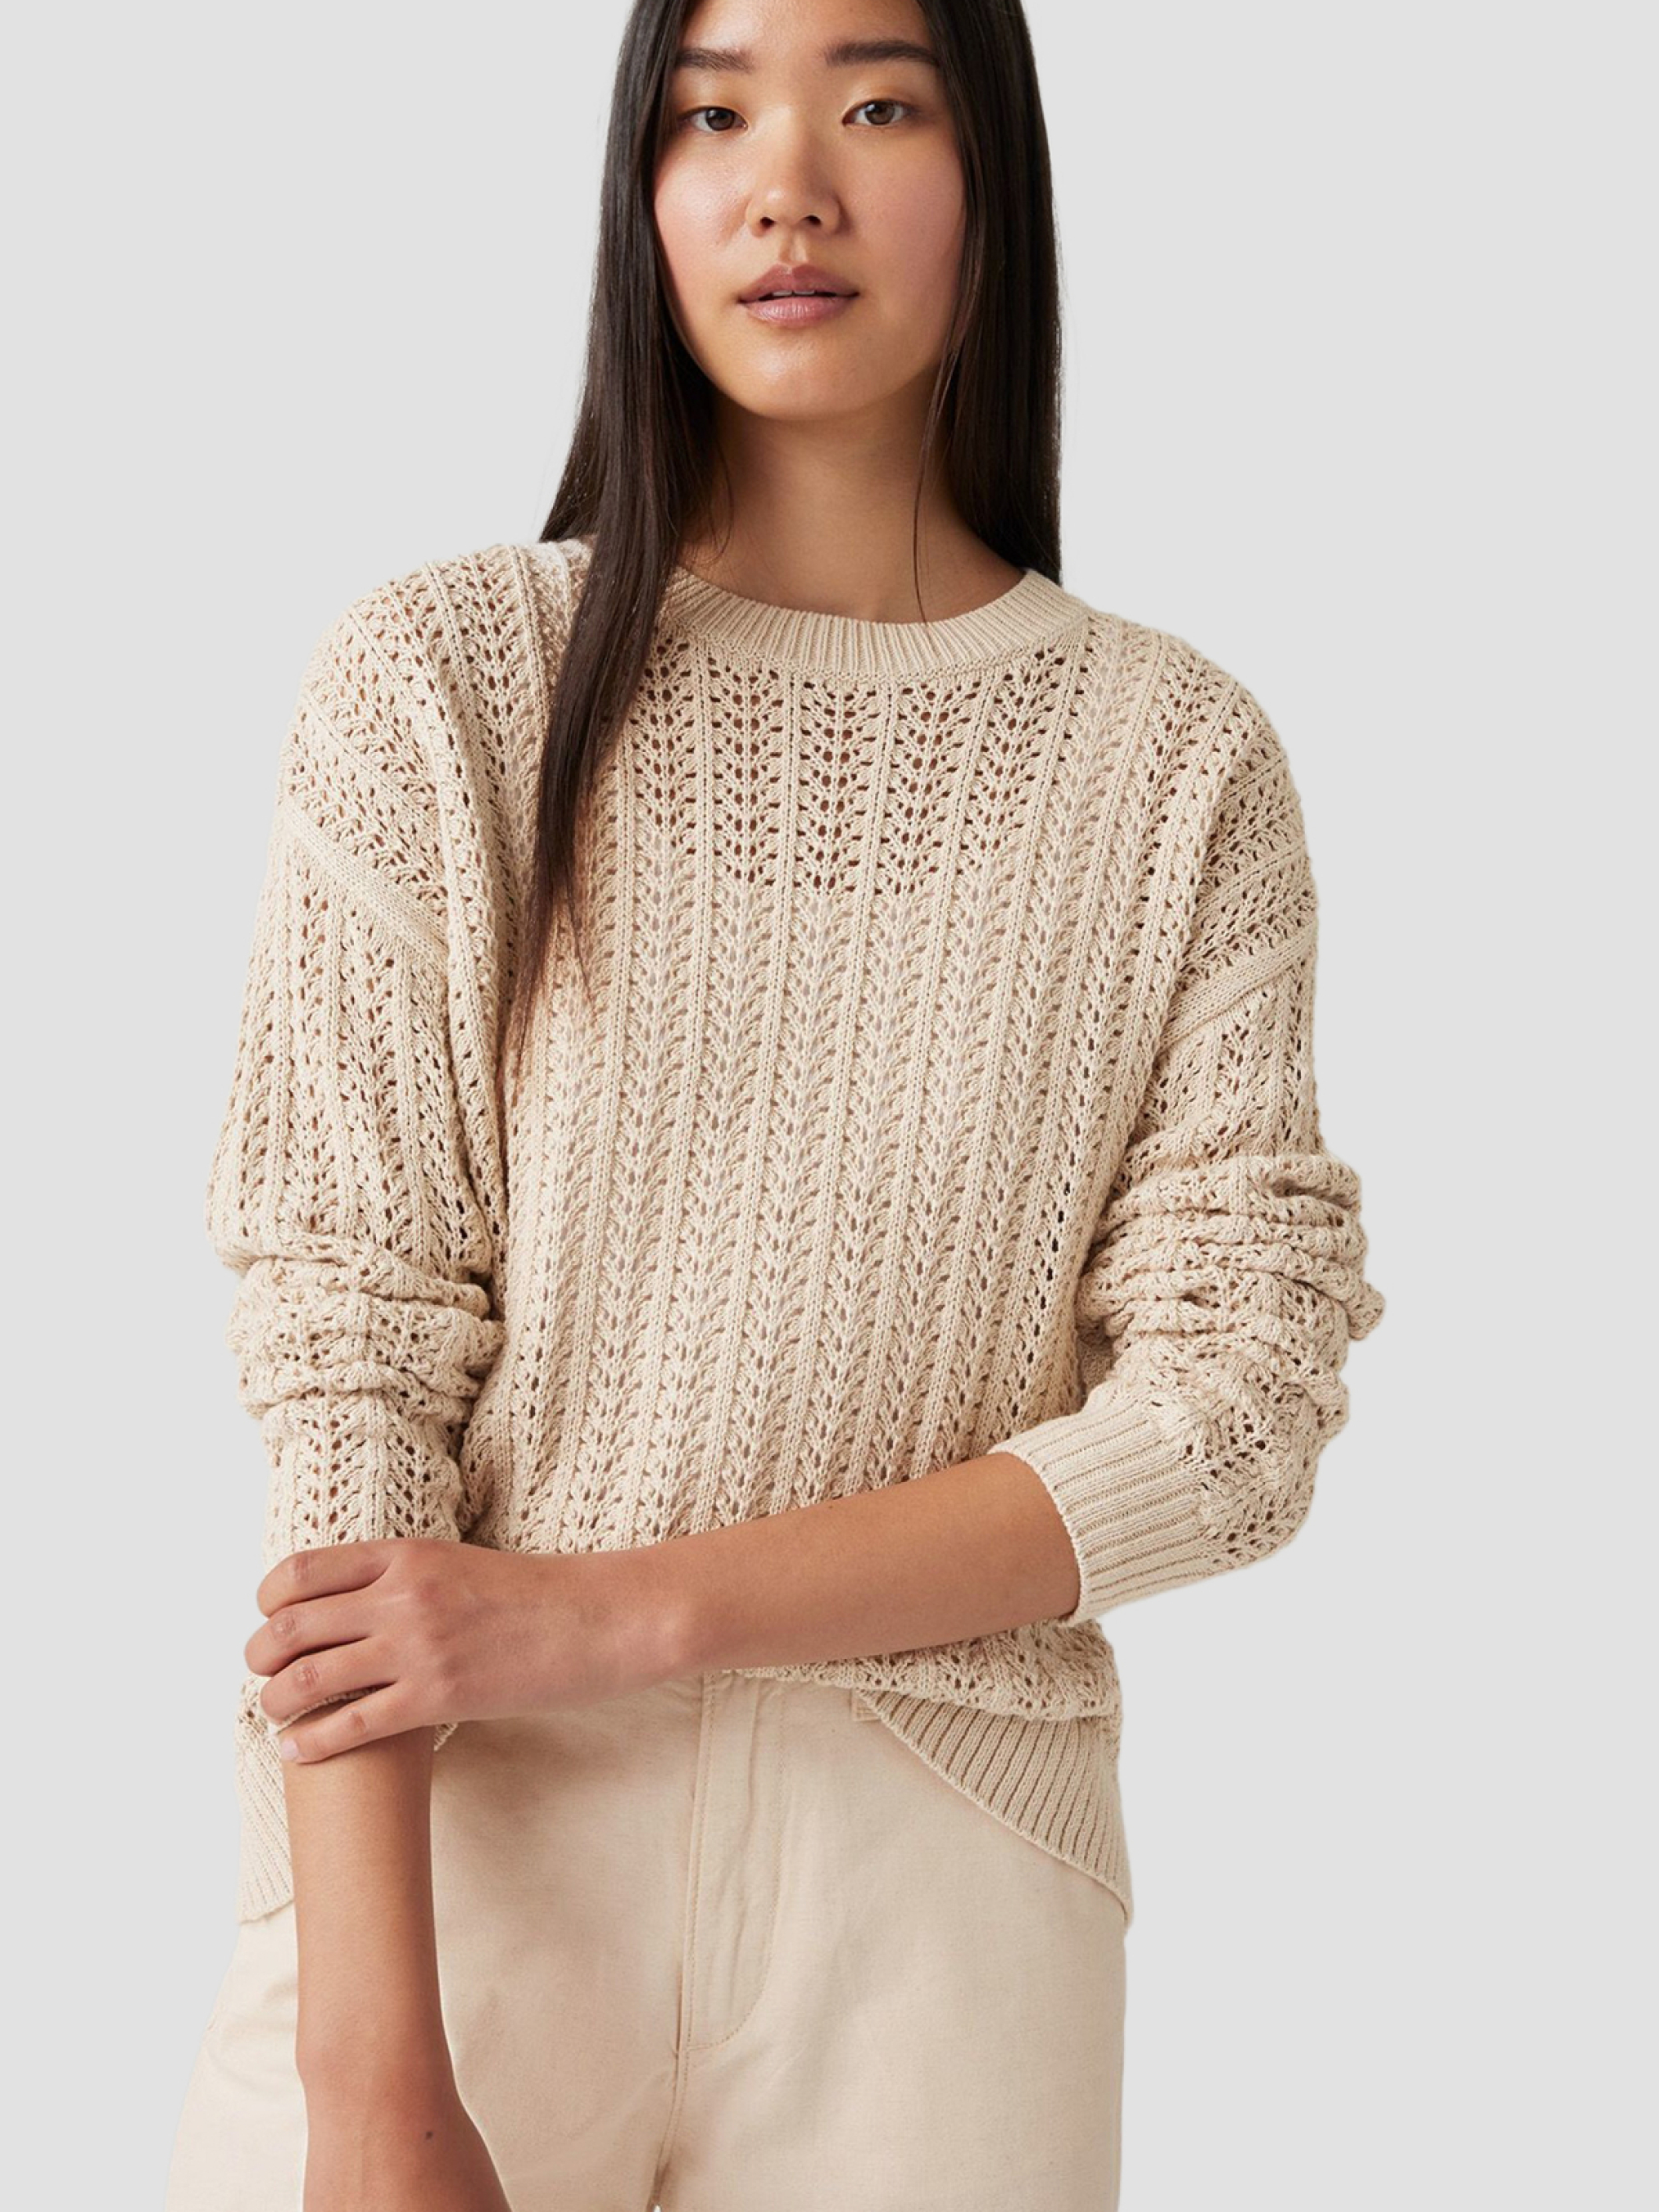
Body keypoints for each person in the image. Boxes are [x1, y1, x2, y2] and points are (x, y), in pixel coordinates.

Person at [165, 1, 1385, 2206]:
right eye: (710, 111)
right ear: (639, 194)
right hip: (457, 1855)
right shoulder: (445, 684)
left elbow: (1233, 1413)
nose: (785, 184)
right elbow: (348, 1373)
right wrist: (368, 2077)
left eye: (878, 102)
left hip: (943, 1892)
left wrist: (618, 1610)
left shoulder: (1174, 761)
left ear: (992, 181)